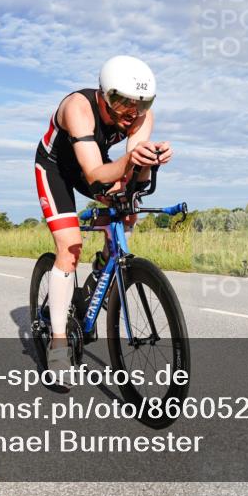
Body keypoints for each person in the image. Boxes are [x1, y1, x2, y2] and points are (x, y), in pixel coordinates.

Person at [34, 55, 172, 377]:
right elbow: (95, 175)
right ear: (105, 95)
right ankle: (57, 343)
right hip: (56, 169)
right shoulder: (78, 108)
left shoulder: (141, 117)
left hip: (95, 164)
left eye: (142, 103)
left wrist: (148, 161)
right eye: (124, 103)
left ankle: (101, 272)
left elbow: (133, 177)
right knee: (70, 248)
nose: (133, 112)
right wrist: (130, 160)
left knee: (128, 211)